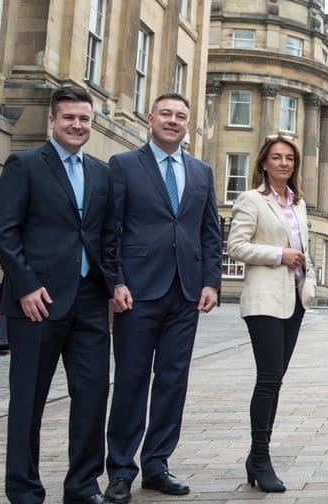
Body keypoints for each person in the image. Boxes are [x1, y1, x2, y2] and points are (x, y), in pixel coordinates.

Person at [0, 85, 118, 504]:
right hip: (37, 303)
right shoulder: (25, 164)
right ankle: (25, 490)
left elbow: (106, 236)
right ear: (52, 121)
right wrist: (26, 286)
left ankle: (82, 486)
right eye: (69, 118)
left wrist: (113, 282)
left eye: (84, 119)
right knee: (28, 400)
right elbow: (4, 231)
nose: (77, 125)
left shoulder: (101, 172)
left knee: (93, 395)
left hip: (89, 302)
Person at [104, 93, 223, 503]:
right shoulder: (123, 165)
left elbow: (210, 232)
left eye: (181, 116)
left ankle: (157, 464)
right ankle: (120, 469)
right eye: (166, 114)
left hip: (186, 293)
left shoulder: (201, 171)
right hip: (136, 292)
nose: (173, 121)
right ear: (151, 118)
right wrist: (115, 281)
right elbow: (111, 229)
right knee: (132, 381)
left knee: (173, 382)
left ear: (188, 124)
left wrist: (211, 282)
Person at [227, 135, 317, 492]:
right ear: (264, 162)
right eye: (276, 158)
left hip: (293, 301)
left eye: (289, 159)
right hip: (264, 301)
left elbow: (302, 249)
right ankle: (261, 457)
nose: (283, 163)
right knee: (268, 379)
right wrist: (280, 255)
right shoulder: (252, 199)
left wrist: (303, 268)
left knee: (275, 379)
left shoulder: (299, 205)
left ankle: (256, 456)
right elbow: (236, 246)